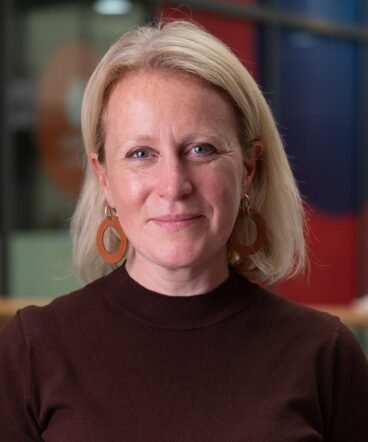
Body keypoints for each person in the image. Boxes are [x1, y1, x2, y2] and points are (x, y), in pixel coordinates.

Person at [1, 20, 368, 441]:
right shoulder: (32, 352)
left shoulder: (325, 354)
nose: (173, 185)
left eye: (201, 149)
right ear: (104, 177)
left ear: (248, 168)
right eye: (141, 153)